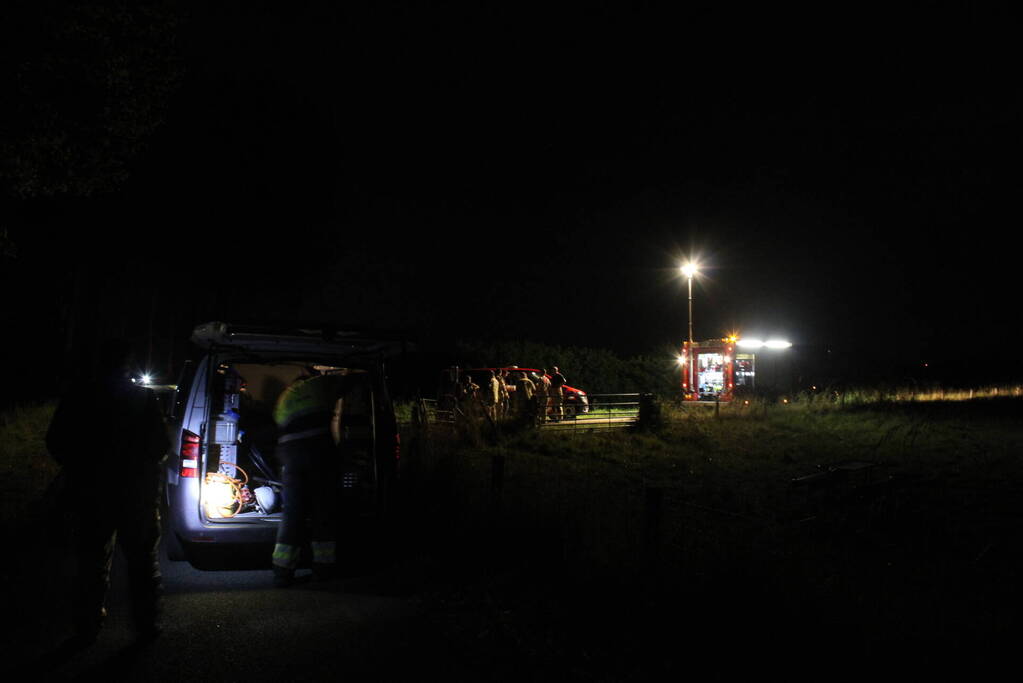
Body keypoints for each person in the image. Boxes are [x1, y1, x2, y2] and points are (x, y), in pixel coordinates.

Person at [45, 338, 170, 648]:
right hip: (136, 494)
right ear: (127, 364)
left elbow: (56, 441)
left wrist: (78, 467)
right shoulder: (143, 399)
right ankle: (146, 625)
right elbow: (161, 446)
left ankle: (86, 627)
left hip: (90, 492)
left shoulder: (79, 396)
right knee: (141, 562)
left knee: (91, 561)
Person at [270, 368, 344, 587]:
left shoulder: (285, 397)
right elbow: (349, 383)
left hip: (291, 457)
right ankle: (323, 569)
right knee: (323, 512)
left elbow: (279, 424)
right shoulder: (319, 386)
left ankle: (282, 572)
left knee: (293, 515)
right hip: (320, 453)